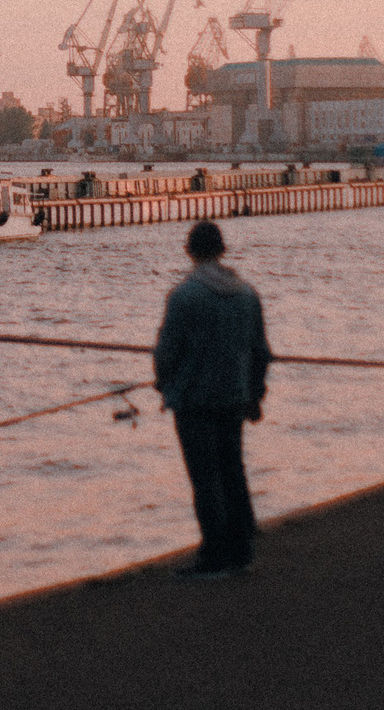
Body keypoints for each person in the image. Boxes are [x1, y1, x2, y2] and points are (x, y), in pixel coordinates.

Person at [153, 219, 272, 577]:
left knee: (205, 478)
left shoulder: (184, 296)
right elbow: (261, 352)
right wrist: (254, 395)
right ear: (223, 250)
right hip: (234, 396)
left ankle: (214, 555)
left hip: (194, 401)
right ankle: (241, 552)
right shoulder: (248, 293)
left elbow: (166, 352)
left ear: (190, 251)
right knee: (233, 471)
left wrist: (164, 384)